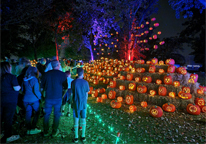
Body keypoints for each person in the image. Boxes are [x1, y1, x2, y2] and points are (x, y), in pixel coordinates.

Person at [41, 60, 68, 137]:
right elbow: (65, 87)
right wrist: (62, 95)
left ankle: (46, 131)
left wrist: (43, 96)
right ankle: (54, 131)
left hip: (48, 97)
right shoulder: (62, 75)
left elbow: (42, 87)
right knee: (57, 114)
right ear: (58, 65)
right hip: (58, 97)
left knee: (47, 114)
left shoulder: (46, 74)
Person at [0, 62, 21, 143]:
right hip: (10, 101)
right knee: (8, 118)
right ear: (8, 68)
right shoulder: (11, 77)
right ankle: (8, 136)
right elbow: (16, 88)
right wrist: (19, 87)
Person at [21, 66, 42, 135]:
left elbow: (22, 90)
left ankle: (28, 127)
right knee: (37, 112)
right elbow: (36, 91)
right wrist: (40, 97)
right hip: (34, 100)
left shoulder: (24, 79)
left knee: (28, 113)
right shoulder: (35, 80)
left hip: (25, 99)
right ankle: (33, 127)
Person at [71, 68, 89, 143]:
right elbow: (86, 94)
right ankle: (83, 136)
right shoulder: (85, 82)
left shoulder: (73, 82)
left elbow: (72, 93)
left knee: (76, 118)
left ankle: (76, 137)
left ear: (77, 73)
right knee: (83, 118)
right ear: (83, 73)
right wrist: (85, 101)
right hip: (83, 103)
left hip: (76, 102)